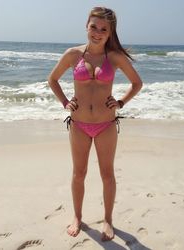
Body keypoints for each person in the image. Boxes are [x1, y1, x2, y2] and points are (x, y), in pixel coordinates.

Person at [48, 6, 143, 241]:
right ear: (86, 26)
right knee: (78, 173)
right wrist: (65, 102)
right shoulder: (73, 55)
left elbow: (137, 83)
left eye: (103, 29)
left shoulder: (115, 57)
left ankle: (108, 220)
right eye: (94, 27)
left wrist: (120, 102)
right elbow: (52, 79)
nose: (97, 32)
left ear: (110, 32)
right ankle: (77, 217)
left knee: (107, 174)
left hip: (106, 125)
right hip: (79, 124)